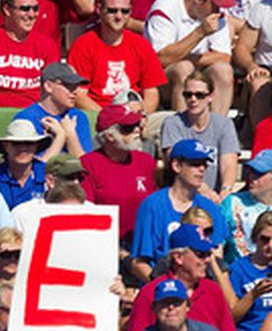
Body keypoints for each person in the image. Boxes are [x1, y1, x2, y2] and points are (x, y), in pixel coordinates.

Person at [130, 139, 225, 283]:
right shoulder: (152, 205)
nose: (202, 169)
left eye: (204, 164)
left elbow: (217, 259)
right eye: (195, 164)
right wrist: (167, 290)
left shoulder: (211, 208)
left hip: (201, 287)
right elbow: (139, 262)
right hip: (162, 286)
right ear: (177, 166)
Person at [144, 0, 235, 116]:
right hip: (163, 80)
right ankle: (182, 131)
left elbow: (224, 57)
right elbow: (160, 59)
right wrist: (200, 33)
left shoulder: (216, 15)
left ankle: (217, 129)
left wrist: (184, 56)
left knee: (223, 71)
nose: (218, 10)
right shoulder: (165, 9)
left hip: (198, 73)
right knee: (183, 68)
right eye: (215, 4)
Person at [67, 0, 165, 112]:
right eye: (112, 10)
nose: (119, 16)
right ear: (99, 10)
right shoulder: (84, 45)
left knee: (166, 123)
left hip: (135, 113)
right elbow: (79, 95)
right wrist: (107, 117)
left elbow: (151, 92)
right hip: (97, 113)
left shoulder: (141, 44)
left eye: (125, 11)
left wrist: (143, 114)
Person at [81, 105, 158, 247]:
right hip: (104, 243)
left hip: (143, 242)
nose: (136, 131)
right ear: (109, 136)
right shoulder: (88, 164)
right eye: (127, 128)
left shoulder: (146, 161)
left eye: (137, 125)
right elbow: (86, 210)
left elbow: (157, 204)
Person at [160, 71, 239, 202]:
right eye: (188, 94)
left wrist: (226, 191)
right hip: (183, 195)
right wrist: (205, 190)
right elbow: (177, 163)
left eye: (200, 95)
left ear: (211, 97)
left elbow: (229, 163)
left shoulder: (224, 124)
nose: (193, 99)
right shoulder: (172, 123)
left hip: (216, 195)